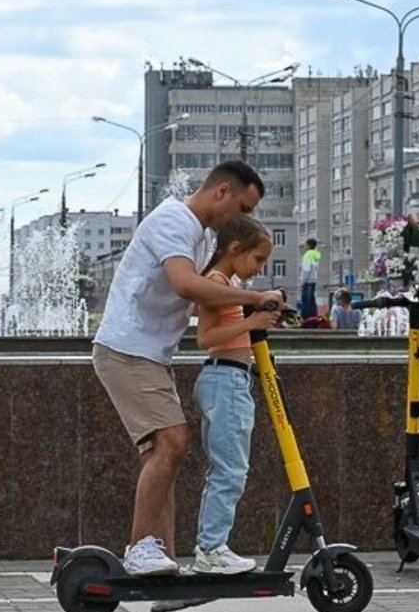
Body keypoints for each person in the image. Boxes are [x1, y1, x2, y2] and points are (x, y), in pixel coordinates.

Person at [92, 160, 283, 576]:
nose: (244, 220)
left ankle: (165, 570)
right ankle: (139, 547)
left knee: (167, 453)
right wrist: (255, 301)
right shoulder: (173, 221)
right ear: (222, 193)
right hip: (127, 349)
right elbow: (185, 284)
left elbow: (208, 296)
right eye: (244, 209)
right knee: (173, 443)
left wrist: (250, 305)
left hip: (149, 354)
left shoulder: (199, 236)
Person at [190, 215, 281, 575]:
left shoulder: (226, 282)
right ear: (234, 248)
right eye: (257, 259)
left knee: (228, 469)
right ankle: (212, 549)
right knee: (230, 471)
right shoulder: (215, 282)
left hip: (230, 380)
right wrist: (252, 322)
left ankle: (212, 546)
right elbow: (205, 338)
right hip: (225, 379)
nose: (259, 269)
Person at [298, 238, 321, 319]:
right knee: (312, 300)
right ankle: (314, 317)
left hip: (307, 281)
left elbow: (306, 270)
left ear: (309, 245)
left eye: (306, 244)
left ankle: (306, 318)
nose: (305, 246)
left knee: (305, 300)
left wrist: (302, 282)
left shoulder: (307, 255)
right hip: (313, 280)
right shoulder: (316, 254)